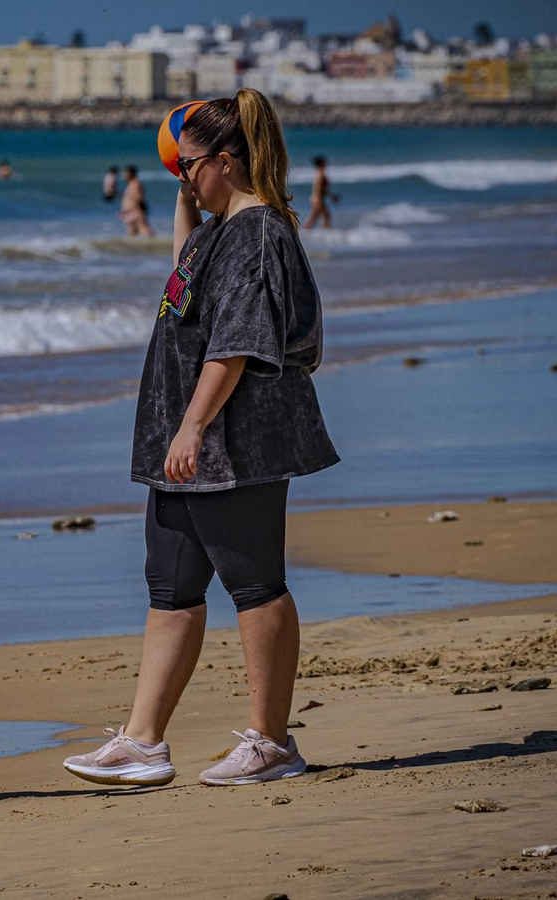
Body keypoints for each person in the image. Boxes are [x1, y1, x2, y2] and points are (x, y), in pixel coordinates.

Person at [63, 89, 338, 789]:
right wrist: (182, 172)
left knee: (256, 585)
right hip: (186, 443)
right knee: (172, 588)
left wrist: (192, 424)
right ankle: (143, 743)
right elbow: (185, 262)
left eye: (189, 166)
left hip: (233, 440)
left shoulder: (261, 233)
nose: (179, 177)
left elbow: (237, 345)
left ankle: (273, 744)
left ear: (225, 160)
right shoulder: (218, 229)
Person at [119, 164, 154, 237]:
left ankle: (155, 246)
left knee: (145, 231)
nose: (124, 175)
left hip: (136, 212)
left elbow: (139, 197)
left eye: (126, 173)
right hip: (130, 213)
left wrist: (139, 210)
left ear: (131, 173)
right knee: (131, 234)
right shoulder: (131, 184)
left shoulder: (136, 184)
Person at [303, 155, 332, 230]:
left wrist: (331, 196)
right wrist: (318, 198)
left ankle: (304, 232)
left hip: (316, 198)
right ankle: (325, 232)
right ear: (321, 163)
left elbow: (323, 189)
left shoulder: (318, 173)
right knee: (326, 216)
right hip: (318, 198)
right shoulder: (321, 174)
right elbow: (318, 187)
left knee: (314, 218)